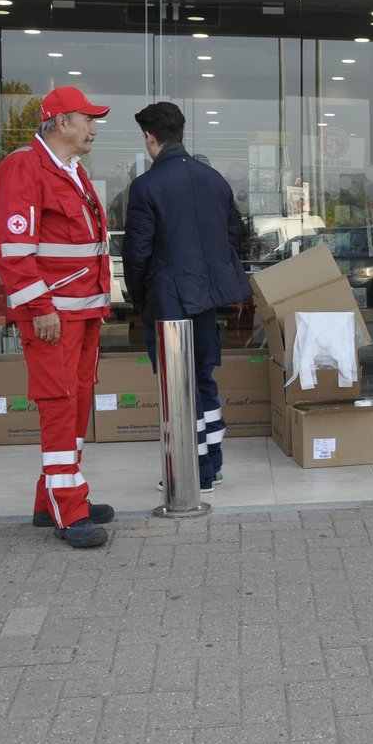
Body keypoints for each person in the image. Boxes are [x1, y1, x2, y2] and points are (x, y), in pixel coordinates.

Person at [0, 85, 116, 548]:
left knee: (78, 401)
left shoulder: (72, 170)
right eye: (87, 119)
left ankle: (53, 499)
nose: (93, 128)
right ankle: (71, 510)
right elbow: (13, 250)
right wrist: (40, 307)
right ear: (61, 122)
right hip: (52, 316)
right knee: (60, 405)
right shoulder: (24, 167)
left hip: (82, 313)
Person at [121, 101, 253, 494]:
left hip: (168, 302)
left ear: (150, 137)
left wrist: (140, 299)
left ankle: (194, 470)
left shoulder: (147, 186)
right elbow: (235, 235)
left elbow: (136, 253)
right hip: (205, 299)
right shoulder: (213, 179)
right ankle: (212, 463)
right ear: (180, 132)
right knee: (203, 379)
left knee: (178, 388)